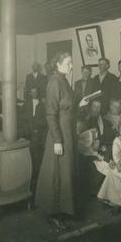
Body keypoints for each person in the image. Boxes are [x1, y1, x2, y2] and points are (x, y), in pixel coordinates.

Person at [35, 52, 76, 230]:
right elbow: (51, 115)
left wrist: (79, 104)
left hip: (67, 132)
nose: (71, 66)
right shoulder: (54, 82)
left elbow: (66, 106)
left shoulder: (64, 80)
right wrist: (57, 140)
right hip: (58, 134)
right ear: (58, 65)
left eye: (71, 63)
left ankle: (62, 210)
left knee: (64, 173)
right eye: (68, 63)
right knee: (56, 174)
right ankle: (53, 213)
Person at [23, 87, 47, 186]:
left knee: (36, 153)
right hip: (28, 131)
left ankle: (35, 176)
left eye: (35, 92)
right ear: (29, 93)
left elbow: (44, 120)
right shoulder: (26, 104)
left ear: (38, 93)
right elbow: (23, 117)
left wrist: (36, 126)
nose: (34, 94)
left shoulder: (42, 105)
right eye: (32, 92)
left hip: (38, 132)